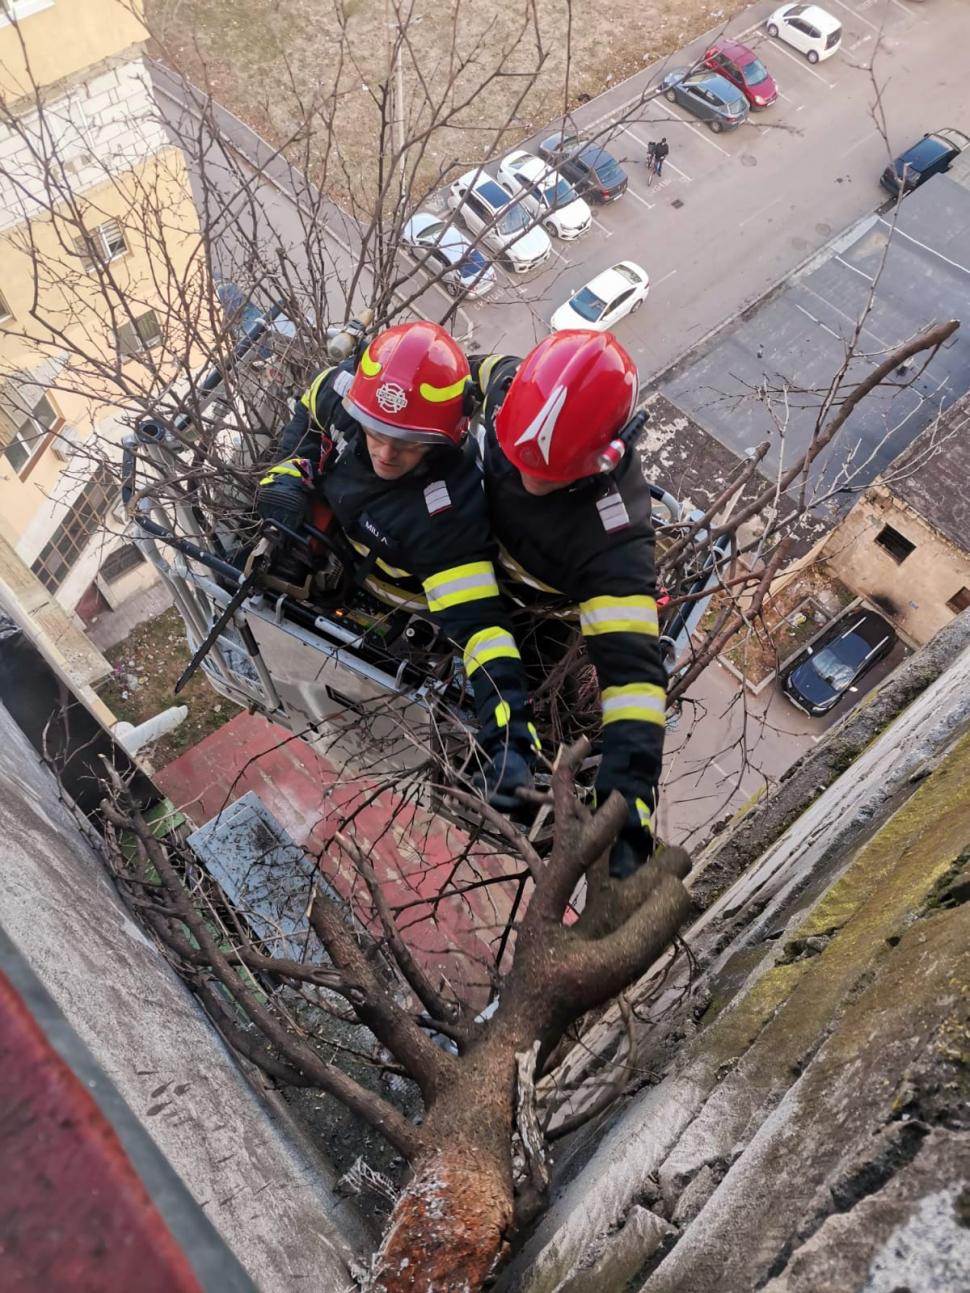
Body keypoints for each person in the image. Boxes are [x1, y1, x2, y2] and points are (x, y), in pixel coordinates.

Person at [258, 320, 537, 806]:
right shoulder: (347, 398)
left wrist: (507, 740)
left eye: (407, 443)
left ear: (445, 437)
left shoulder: (446, 513)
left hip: (405, 598)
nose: (386, 452)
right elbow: (311, 406)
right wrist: (286, 472)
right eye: (376, 433)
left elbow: (480, 630)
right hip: (349, 555)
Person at [468, 332, 668, 878]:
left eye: (550, 477)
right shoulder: (506, 385)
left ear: (608, 456)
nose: (530, 481)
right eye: (517, 460)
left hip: (526, 615)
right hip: (450, 556)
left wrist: (626, 814)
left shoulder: (614, 539)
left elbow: (634, 685)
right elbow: (447, 376)